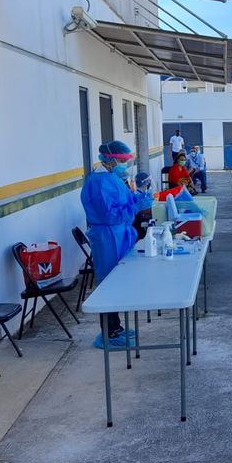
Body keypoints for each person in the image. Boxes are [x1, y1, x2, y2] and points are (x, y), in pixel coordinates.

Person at [80, 141, 151, 348]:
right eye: (122, 160)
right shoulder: (98, 182)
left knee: (118, 281)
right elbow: (109, 215)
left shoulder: (112, 178)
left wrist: (137, 198)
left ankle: (116, 327)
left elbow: (123, 202)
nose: (125, 164)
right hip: (107, 237)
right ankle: (108, 333)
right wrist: (136, 206)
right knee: (108, 284)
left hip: (118, 234)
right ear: (110, 159)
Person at [131, 171, 155, 240]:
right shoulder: (138, 196)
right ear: (144, 183)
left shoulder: (143, 194)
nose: (149, 183)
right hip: (137, 224)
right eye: (148, 181)